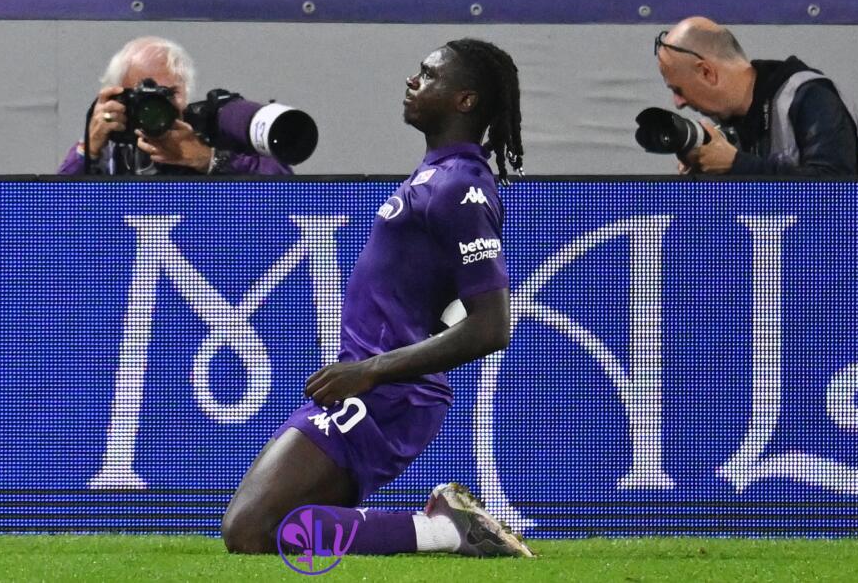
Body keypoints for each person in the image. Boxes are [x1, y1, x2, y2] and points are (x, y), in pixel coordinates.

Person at [221, 39, 533, 558]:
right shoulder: (437, 176)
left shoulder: (459, 187)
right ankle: (440, 527)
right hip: (376, 386)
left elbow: (490, 325)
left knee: (251, 530)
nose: (413, 81)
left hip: (388, 393)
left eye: (429, 75)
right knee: (262, 527)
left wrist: (371, 371)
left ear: (465, 101)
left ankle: (443, 532)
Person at [655, 16, 858, 176]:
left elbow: (835, 188)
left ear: (707, 72)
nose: (678, 103)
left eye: (678, 90)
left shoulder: (809, 96)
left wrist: (737, 164)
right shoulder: (731, 125)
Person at [57, 36, 292, 176]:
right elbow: (52, 212)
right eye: (145, 97)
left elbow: (291, 191)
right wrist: (87, 149)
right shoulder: (114, 144)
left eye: (169, 93)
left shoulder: (210, 132)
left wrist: (208, 159)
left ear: (186, 92)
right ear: (119, 97)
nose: (159, 106)